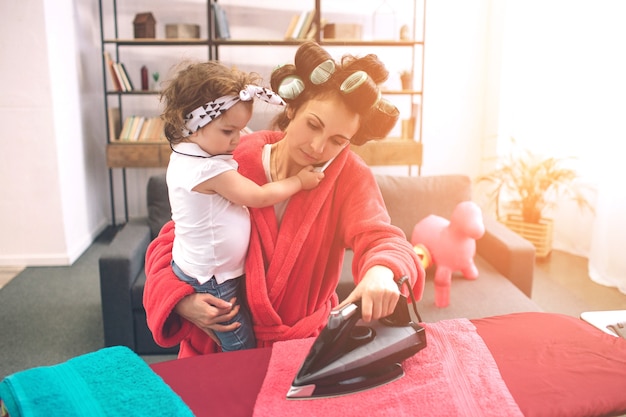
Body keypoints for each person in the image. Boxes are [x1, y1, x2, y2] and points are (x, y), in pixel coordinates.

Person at [143, 41, 425, 358]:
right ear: (291, 109)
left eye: (338, 140)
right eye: (313, 125)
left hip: (298, 351)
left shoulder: (349, 177)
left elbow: (383, 239)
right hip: (215, 344)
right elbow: (177, 234)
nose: (319, 147)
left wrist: (382, 272)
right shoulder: (232, 153)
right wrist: (180, 299)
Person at [160, 61, 324, 351]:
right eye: (228, 131)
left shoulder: (189, 152)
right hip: (214, 280)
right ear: (192, 124)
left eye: (242, 128)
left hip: (202, 267)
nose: (238, 139)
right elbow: (258, 196)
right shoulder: (207, 170)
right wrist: (299, 181)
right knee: (241, 346)